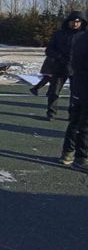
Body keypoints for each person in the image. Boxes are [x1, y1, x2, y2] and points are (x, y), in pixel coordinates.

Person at [42, 11, 87, 121]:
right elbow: (49, 50)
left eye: (78, 22)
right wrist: (59, 57)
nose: (75, 24)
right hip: (60, 68)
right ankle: (51, 112)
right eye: (73, 21)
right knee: (54, 92)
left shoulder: (84, 36)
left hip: (77, 70)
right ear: (68, 22)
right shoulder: (59, 34)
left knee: (75, 94)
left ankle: (73, 114)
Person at [58, 24, 88, 170]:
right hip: (83, 85)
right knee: (83, 123)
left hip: (79, 85)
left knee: (76, 121)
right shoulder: (82, 39)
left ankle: (68, 153)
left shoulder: (81, 38)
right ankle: (81, 157)